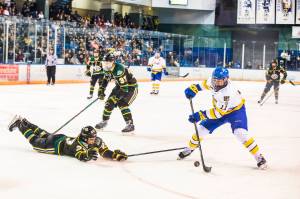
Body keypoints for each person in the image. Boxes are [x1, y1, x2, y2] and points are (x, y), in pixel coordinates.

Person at [178, 66, 267, 169]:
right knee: (201, 130)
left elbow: (218, 114)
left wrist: (201, 115)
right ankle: (190, 148)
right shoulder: (213, 80)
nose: (216, 83)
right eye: (215, 80)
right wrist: (194, 88)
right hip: (219, 110)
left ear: (226, 79)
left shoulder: (227, 93)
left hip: (236, 112)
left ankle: (259, 157)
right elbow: (204, 85)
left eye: (219, 81)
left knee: (240, 133)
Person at [8, 115, 128, 162]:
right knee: (35, 142)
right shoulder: (78, 145)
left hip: (60, 138)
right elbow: (80, 155)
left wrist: (114, 155)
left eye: (94, 137)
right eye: (91, 138)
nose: (94, 140)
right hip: (54, 146)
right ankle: (19, 124)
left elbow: (104, 151)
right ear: (85, 138)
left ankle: (26, 122)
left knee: (44, 134)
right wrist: (87, 155)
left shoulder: (95, 140)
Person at [95, 53, 138, 133]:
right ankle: (104, 122)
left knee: (122, 104)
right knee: (109, 103)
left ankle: (130, 124)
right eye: (104, 62)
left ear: (113, 62)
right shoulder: (107, 68)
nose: (105, 64)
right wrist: (101, 90)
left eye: (107, 62)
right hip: (119, 86)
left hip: (130, 87)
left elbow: (125, 89)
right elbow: (106, 79)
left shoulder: (119, 70)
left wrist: (116, 97)